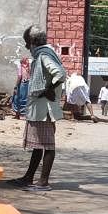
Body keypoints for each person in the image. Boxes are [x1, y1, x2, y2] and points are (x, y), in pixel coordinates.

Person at [14, 26, 65, 191]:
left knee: (48, 146)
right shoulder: (44, 54)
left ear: (33, 42)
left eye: (28, 43)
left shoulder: (43, 55)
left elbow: (60, 74)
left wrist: (48, 89)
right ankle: (29, 177)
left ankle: (43, 182)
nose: (27, 47)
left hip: (44, 109)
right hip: (39, 109)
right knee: (38, 145)